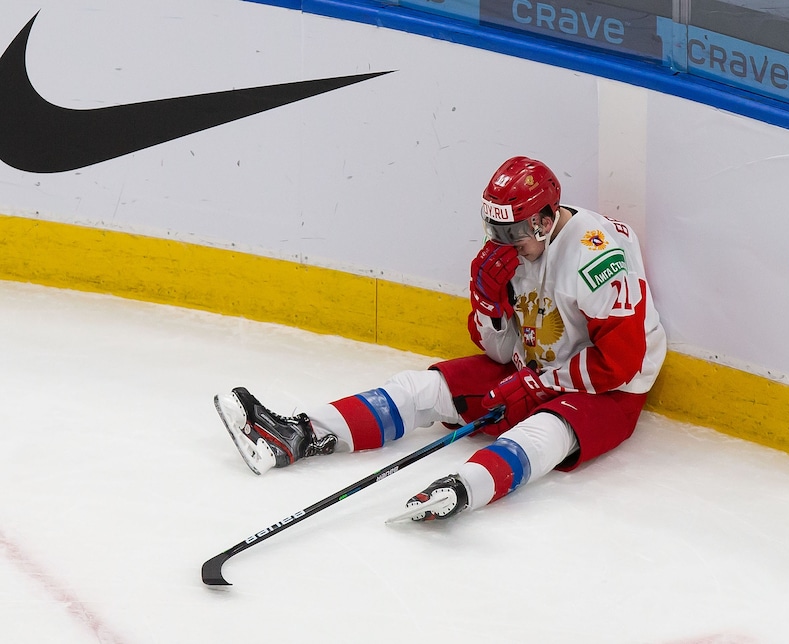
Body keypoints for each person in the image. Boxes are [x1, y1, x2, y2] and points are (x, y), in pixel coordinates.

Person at [214, 156, 667, 522]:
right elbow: (503, 352)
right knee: (424, 388)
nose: (501, 245)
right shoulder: (509, 253)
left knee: (545, 430)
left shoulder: (596, 258)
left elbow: (620, 363)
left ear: (546, 221)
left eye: (513, 234)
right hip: (539, 370)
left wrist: (539, 385)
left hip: (610, 392)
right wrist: (490, 306)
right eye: (495, 231)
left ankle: (463, 488)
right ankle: (298, 433)